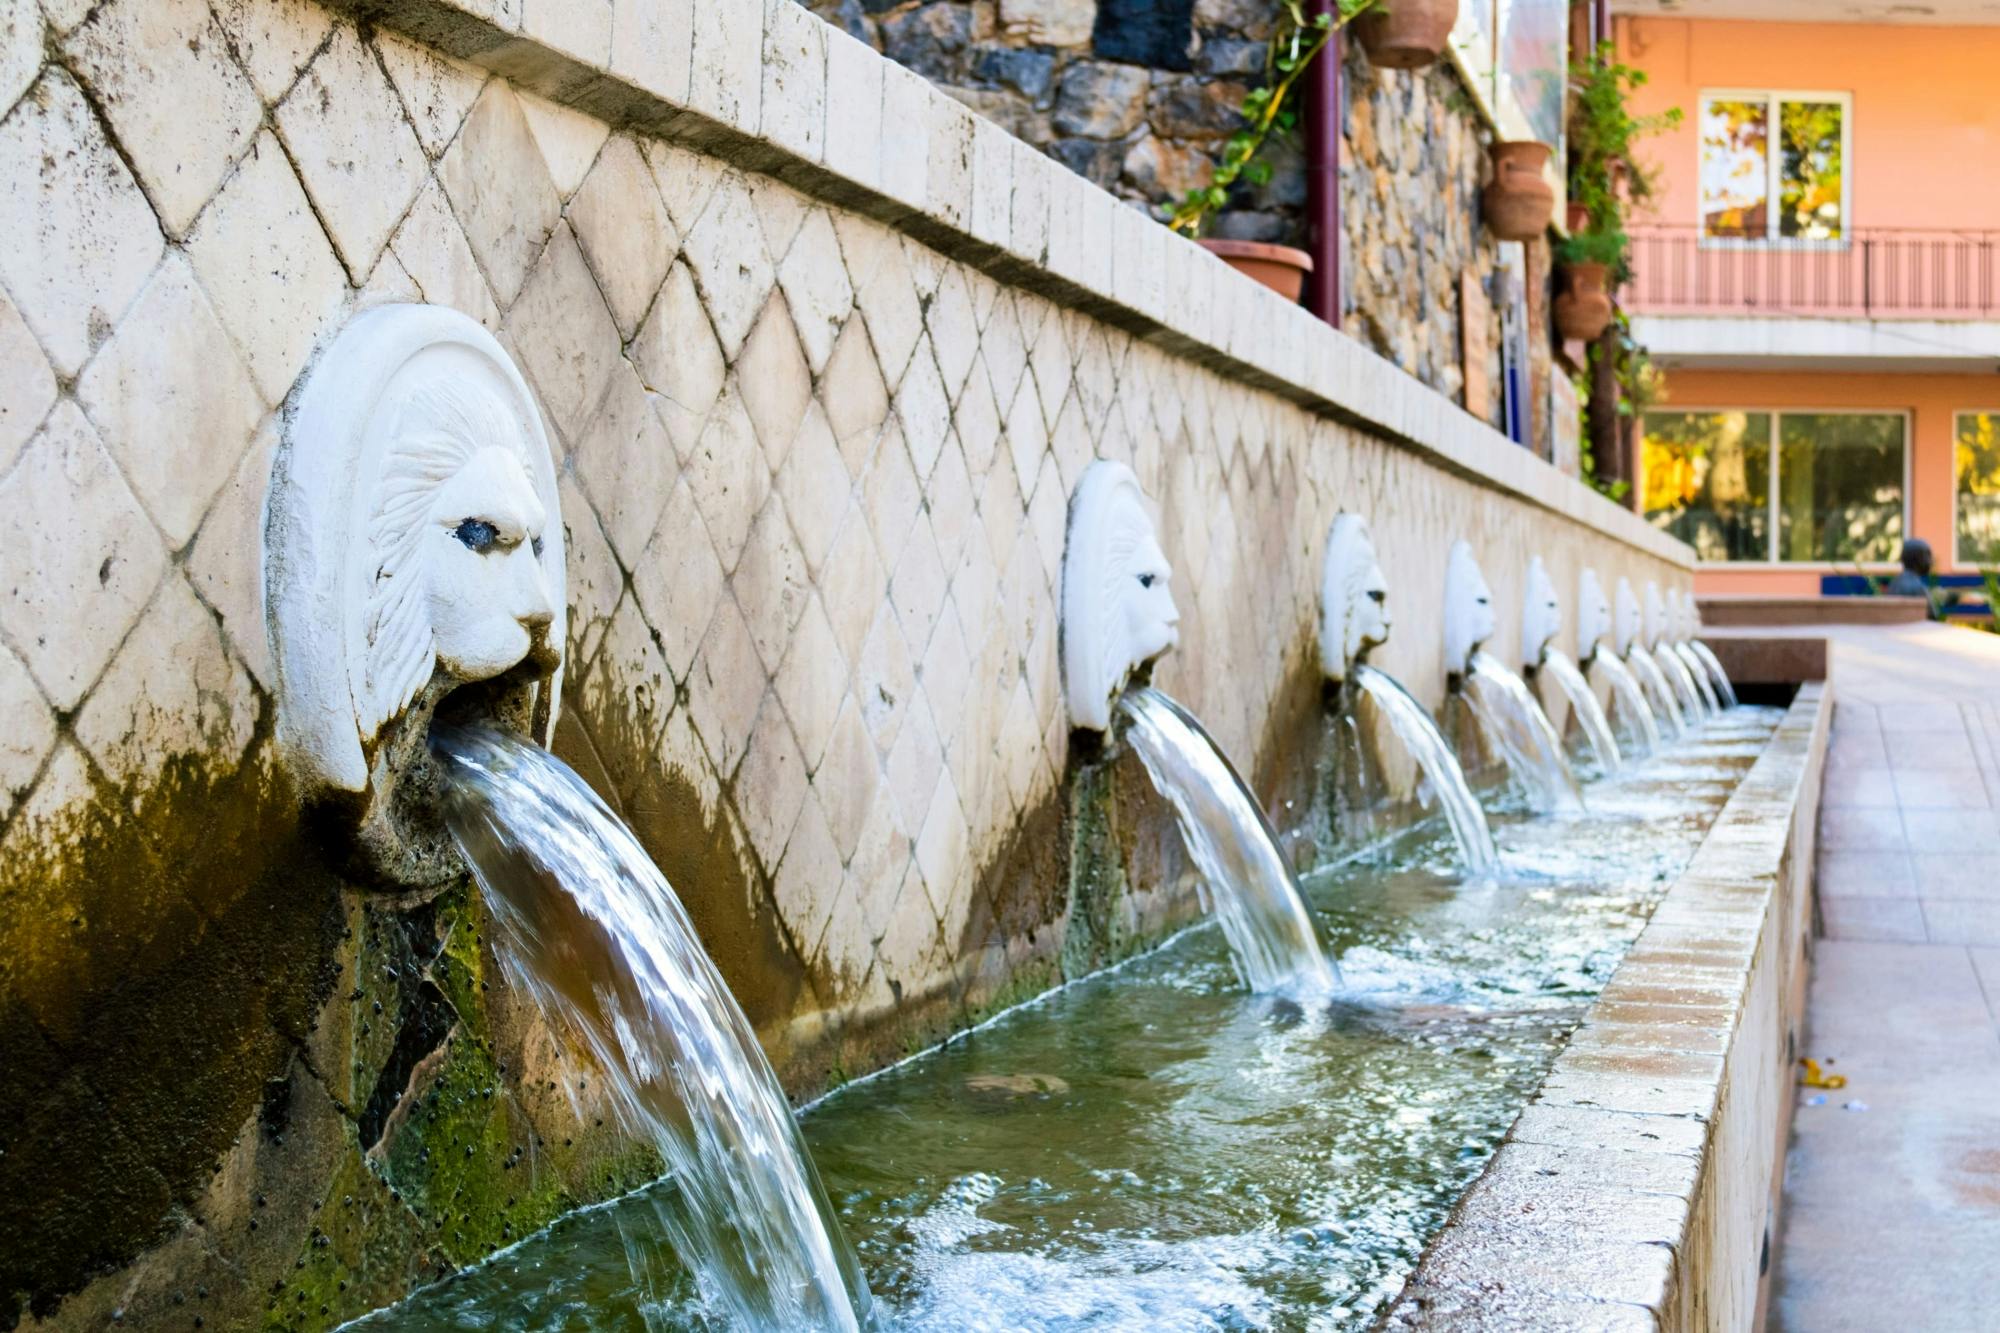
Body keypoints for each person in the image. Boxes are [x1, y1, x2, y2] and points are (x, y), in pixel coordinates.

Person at [1884, 538, 1939, 617]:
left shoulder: (1894, 584)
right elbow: (1932, 617)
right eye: (1928, 556)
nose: (1931, 562)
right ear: (1918, 559)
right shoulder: (1919, 588)